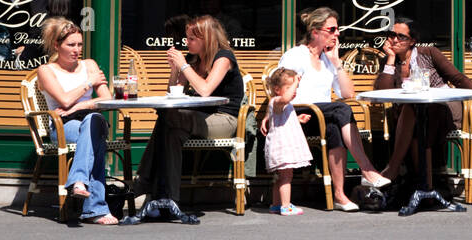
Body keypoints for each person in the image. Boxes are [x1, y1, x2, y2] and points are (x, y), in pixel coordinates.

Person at [282, 7, 390, 212]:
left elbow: (348, 93)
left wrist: (336, 62)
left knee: (334, 126)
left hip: (323, 117)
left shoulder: (327, 59)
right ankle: (367, 169)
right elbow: (280, 88)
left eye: (337, 29)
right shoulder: (295, 56)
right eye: (332, 30)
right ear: (315, 32)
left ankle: (339, 195)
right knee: (340, 110)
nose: (337, 34)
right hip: (299, 115)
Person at [132, 14, 242, 207]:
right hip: (197, 118)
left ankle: (142, 183)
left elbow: (205, 90)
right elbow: (173, 94)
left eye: (191, 38)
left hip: (224, 120)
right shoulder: (194, 60)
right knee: (171, 130)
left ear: (205, 39)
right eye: (187, 37)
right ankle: (170, 198)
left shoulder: (224, 57)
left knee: (167, 117)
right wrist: (175, 70)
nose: (187, 42)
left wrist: (183, 65)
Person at [376, 18, 472, 184]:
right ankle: (425, 188)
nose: (394, 40)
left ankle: (396, 169)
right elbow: (382, 93)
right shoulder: (390, 62)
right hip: (411, 115)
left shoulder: (429, 53)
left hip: (443, 108)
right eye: (391, 35)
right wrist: (389, 59)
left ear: (412, 41)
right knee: (415, 118)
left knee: (418, 112)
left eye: (401, 36)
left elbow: (457, 78)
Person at [35, 17, 118, 224]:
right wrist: (89, 83)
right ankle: (96, 209)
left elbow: (107, 99)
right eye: (70, 45)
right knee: (94, 138)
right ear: (57, 45)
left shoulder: (88, 64)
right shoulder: (46, 70)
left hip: (89, 118)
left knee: (92, 122)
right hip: (63, 125)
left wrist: (80, 105)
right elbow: (63, 99)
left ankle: (78, 180)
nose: (76, 50)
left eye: (79, 44)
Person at [260, 67, 311, 216]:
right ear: (277, 89)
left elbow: (281, 119)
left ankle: (276, 204)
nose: (293, 90)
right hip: (283, 148)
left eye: (294, 87)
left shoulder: (283, 104)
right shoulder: (277, 101)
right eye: (289, 87)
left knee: (280, 177)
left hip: (282, 146)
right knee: (286, 177)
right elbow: (285, 99)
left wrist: (297, 119)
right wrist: (296, 81)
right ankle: (286, 206)